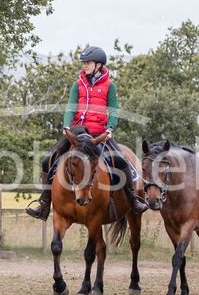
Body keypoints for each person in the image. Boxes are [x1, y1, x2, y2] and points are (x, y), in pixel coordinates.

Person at [25, 45, 147, 220]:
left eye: (88, 62)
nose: (84, 65)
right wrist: (67, 126)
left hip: (99, 134)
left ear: (99, 64)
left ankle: (133, 200)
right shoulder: (78, 85)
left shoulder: (109, 86)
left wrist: (110, 129)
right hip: (77, 132)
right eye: (84, 63)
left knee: (120, 160)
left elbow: (114, 110)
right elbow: (70, 107)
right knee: (48, 161)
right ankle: (44, 204)